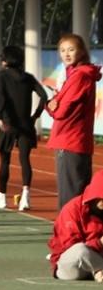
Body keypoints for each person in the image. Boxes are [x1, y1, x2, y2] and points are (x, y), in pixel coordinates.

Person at [46, 33, 100, 209]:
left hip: (69, 140)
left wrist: (51, 105)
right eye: (62, 50)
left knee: (70, 197)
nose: (66, 54)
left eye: (71, 49)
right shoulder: (80, 75)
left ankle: (69, 227)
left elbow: (61, 111)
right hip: (78, 140)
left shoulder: (79, 76)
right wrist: (55, 102)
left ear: (81, 51)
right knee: (80, 194)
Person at [0, 45, 47, 211]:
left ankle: (2, 196)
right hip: (26, 124)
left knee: (5, 160)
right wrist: (35, 116)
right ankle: (25, 197)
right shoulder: (28, 78)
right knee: (25, 160)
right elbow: (44, 96)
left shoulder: (1, 75)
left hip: (8, 124)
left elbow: (0, 96)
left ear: (6, 60)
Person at [47, 170, 103, 281]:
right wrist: (100, 243)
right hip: (73, 266)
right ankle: (97, 269)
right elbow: (70, 247)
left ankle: (98, 270)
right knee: (80, 251)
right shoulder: (72, 210)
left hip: (98, 259)